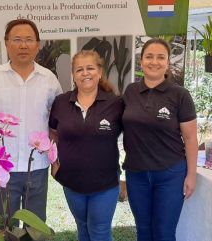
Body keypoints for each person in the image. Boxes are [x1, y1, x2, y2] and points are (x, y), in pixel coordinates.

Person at [0, 19, 62, 221]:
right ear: (6, 43)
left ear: (38, 45)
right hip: (4, 167)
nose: (23, 45)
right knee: (6, 225)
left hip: (37, 166)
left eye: (29, 40)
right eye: (17, 39)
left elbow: (59, 119)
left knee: (35, 226)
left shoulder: (49, 79)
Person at [122, 38, 198, 241]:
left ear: (167, 62)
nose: (154, 62)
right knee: (143, 231)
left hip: (170, 174)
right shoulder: (130, 91)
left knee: (164, 233)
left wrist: (191, 175)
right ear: (141, 61)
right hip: (136, 174)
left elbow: (190, 138)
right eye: (149, 56)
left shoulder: (180, 95)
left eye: (160, 57)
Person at [49, 50, 123, 241]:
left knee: (99, 230)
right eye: (79, 69)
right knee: (82, 228)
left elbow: (134, 136)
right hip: (71, 181)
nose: (85, 73)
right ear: (73, 75)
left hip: (105, 182)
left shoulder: (115, 104)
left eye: (90, 68)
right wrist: (54, 161)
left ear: (99, 72)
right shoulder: (61, 102)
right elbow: (53, 133)